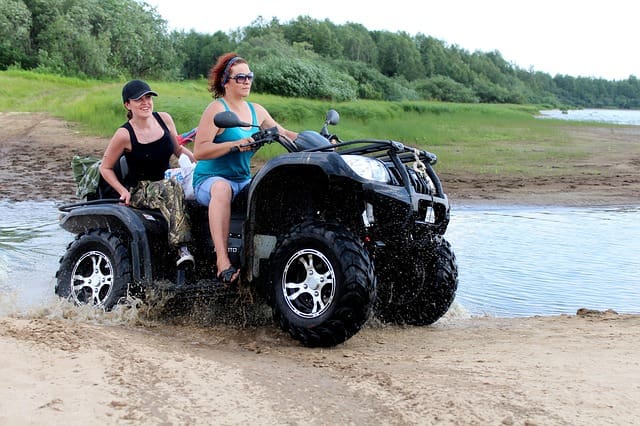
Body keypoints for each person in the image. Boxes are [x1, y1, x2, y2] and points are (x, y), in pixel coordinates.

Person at [193, 53, 298, 284]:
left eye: (249, 76)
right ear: (225, 82)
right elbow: (199, 151)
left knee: (274, 187)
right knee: (222, 189)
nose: (246, 81)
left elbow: (286, 134)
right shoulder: (216, 110)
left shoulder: (256, 111)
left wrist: (320, 142)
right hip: (210, 180)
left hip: (242, 179)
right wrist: (233, 145)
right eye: (240, 77)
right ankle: (222, 261)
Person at [100, 79, 196, 267]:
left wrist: (199, 164)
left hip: (169, 179)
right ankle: (181, 248)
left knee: (198, 187)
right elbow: (105, 167)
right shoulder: (124, 134)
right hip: (140, 188)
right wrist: (123, 191)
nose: (146, 103)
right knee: (170, 188)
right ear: (128, 104)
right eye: (139, 100)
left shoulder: (164, 119)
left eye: (148, 97)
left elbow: (178, 151)